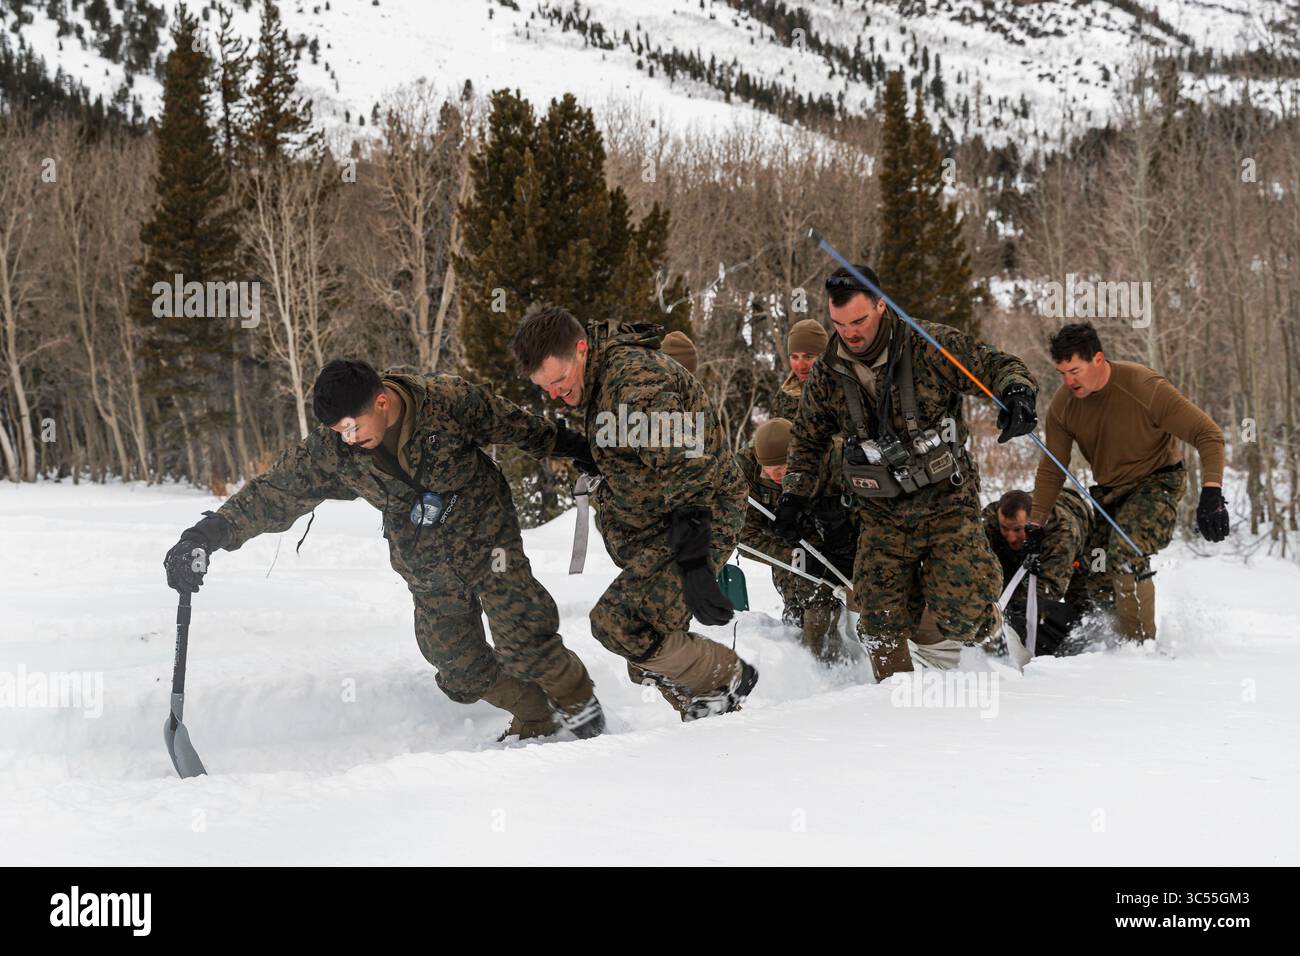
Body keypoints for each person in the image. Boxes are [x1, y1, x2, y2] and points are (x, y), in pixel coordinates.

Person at [163, 359, 606, 741]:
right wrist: (208, 534)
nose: (349, 438)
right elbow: (276, 491)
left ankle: (579, 704)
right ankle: (535, 713)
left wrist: (573, 448)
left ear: (381, 401)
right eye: (340, 431)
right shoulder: (334, 449)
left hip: (488, 538)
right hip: (425, 562)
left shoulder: (446, 400)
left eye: (353, 426)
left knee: (523, 638)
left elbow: (513, 424)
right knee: (458, 666)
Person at [776, 265, 1038, 680]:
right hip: (880, 512)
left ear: (882, 306)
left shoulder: (927, 344)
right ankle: (898, 703)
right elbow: (807, 439)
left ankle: (992, 640)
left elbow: (993, 365)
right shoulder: (828, 370)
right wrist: (794, 493)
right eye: (840, 324)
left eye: (859, 321)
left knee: (963, 614)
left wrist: (1016, 393)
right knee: (879, 620)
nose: (850, 333)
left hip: (945, 503)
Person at [511, 305, 758, 720]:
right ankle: (708, 713)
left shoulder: (634, 383)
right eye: (545, 387)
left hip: (700, 515)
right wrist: (594, 455)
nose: (555, 393)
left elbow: (688, 460)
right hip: (660, 522)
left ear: (582, 350)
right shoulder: (601, 379)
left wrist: (695, 562)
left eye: (559, 380)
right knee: (645, 642)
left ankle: (728, 677)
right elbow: (634, 441)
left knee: (618, 623)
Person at [1026, 322, 1229, 642]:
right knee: (1095, 575)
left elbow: (1208, 435)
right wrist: (1036, 523)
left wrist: (1212, 493)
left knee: (1125, 554)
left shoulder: (1143, 386)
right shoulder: (1064, 406)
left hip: (1157, 482)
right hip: (1109, 494)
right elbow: (1052, 469)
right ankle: (1105, 643)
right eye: (1061, 373)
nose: (1068, 381)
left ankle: (1138, 651)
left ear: (1098, 359)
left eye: (1075, 371)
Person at [737, 418, 853, 664]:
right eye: (768, 469)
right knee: (802, 602)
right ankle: (806, 660)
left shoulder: (831, 453)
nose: (776, 475)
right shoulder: (742, 471)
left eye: (783, 467)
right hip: (782, 542)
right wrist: (794, 557)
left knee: (830, 591)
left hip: (832, 531)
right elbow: (745, 536)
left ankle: (836, 657)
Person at [983, 488, 1090, 655]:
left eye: (1018, 530)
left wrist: (1011, 619)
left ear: (1032, 522)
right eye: (1005, 528)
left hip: (1083, 547)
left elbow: (1047, 590)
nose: (1010, 536)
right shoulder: (991, 517)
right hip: (1021, 550)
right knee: (1003, 598)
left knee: (1081, 607)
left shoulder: (1062, 532)